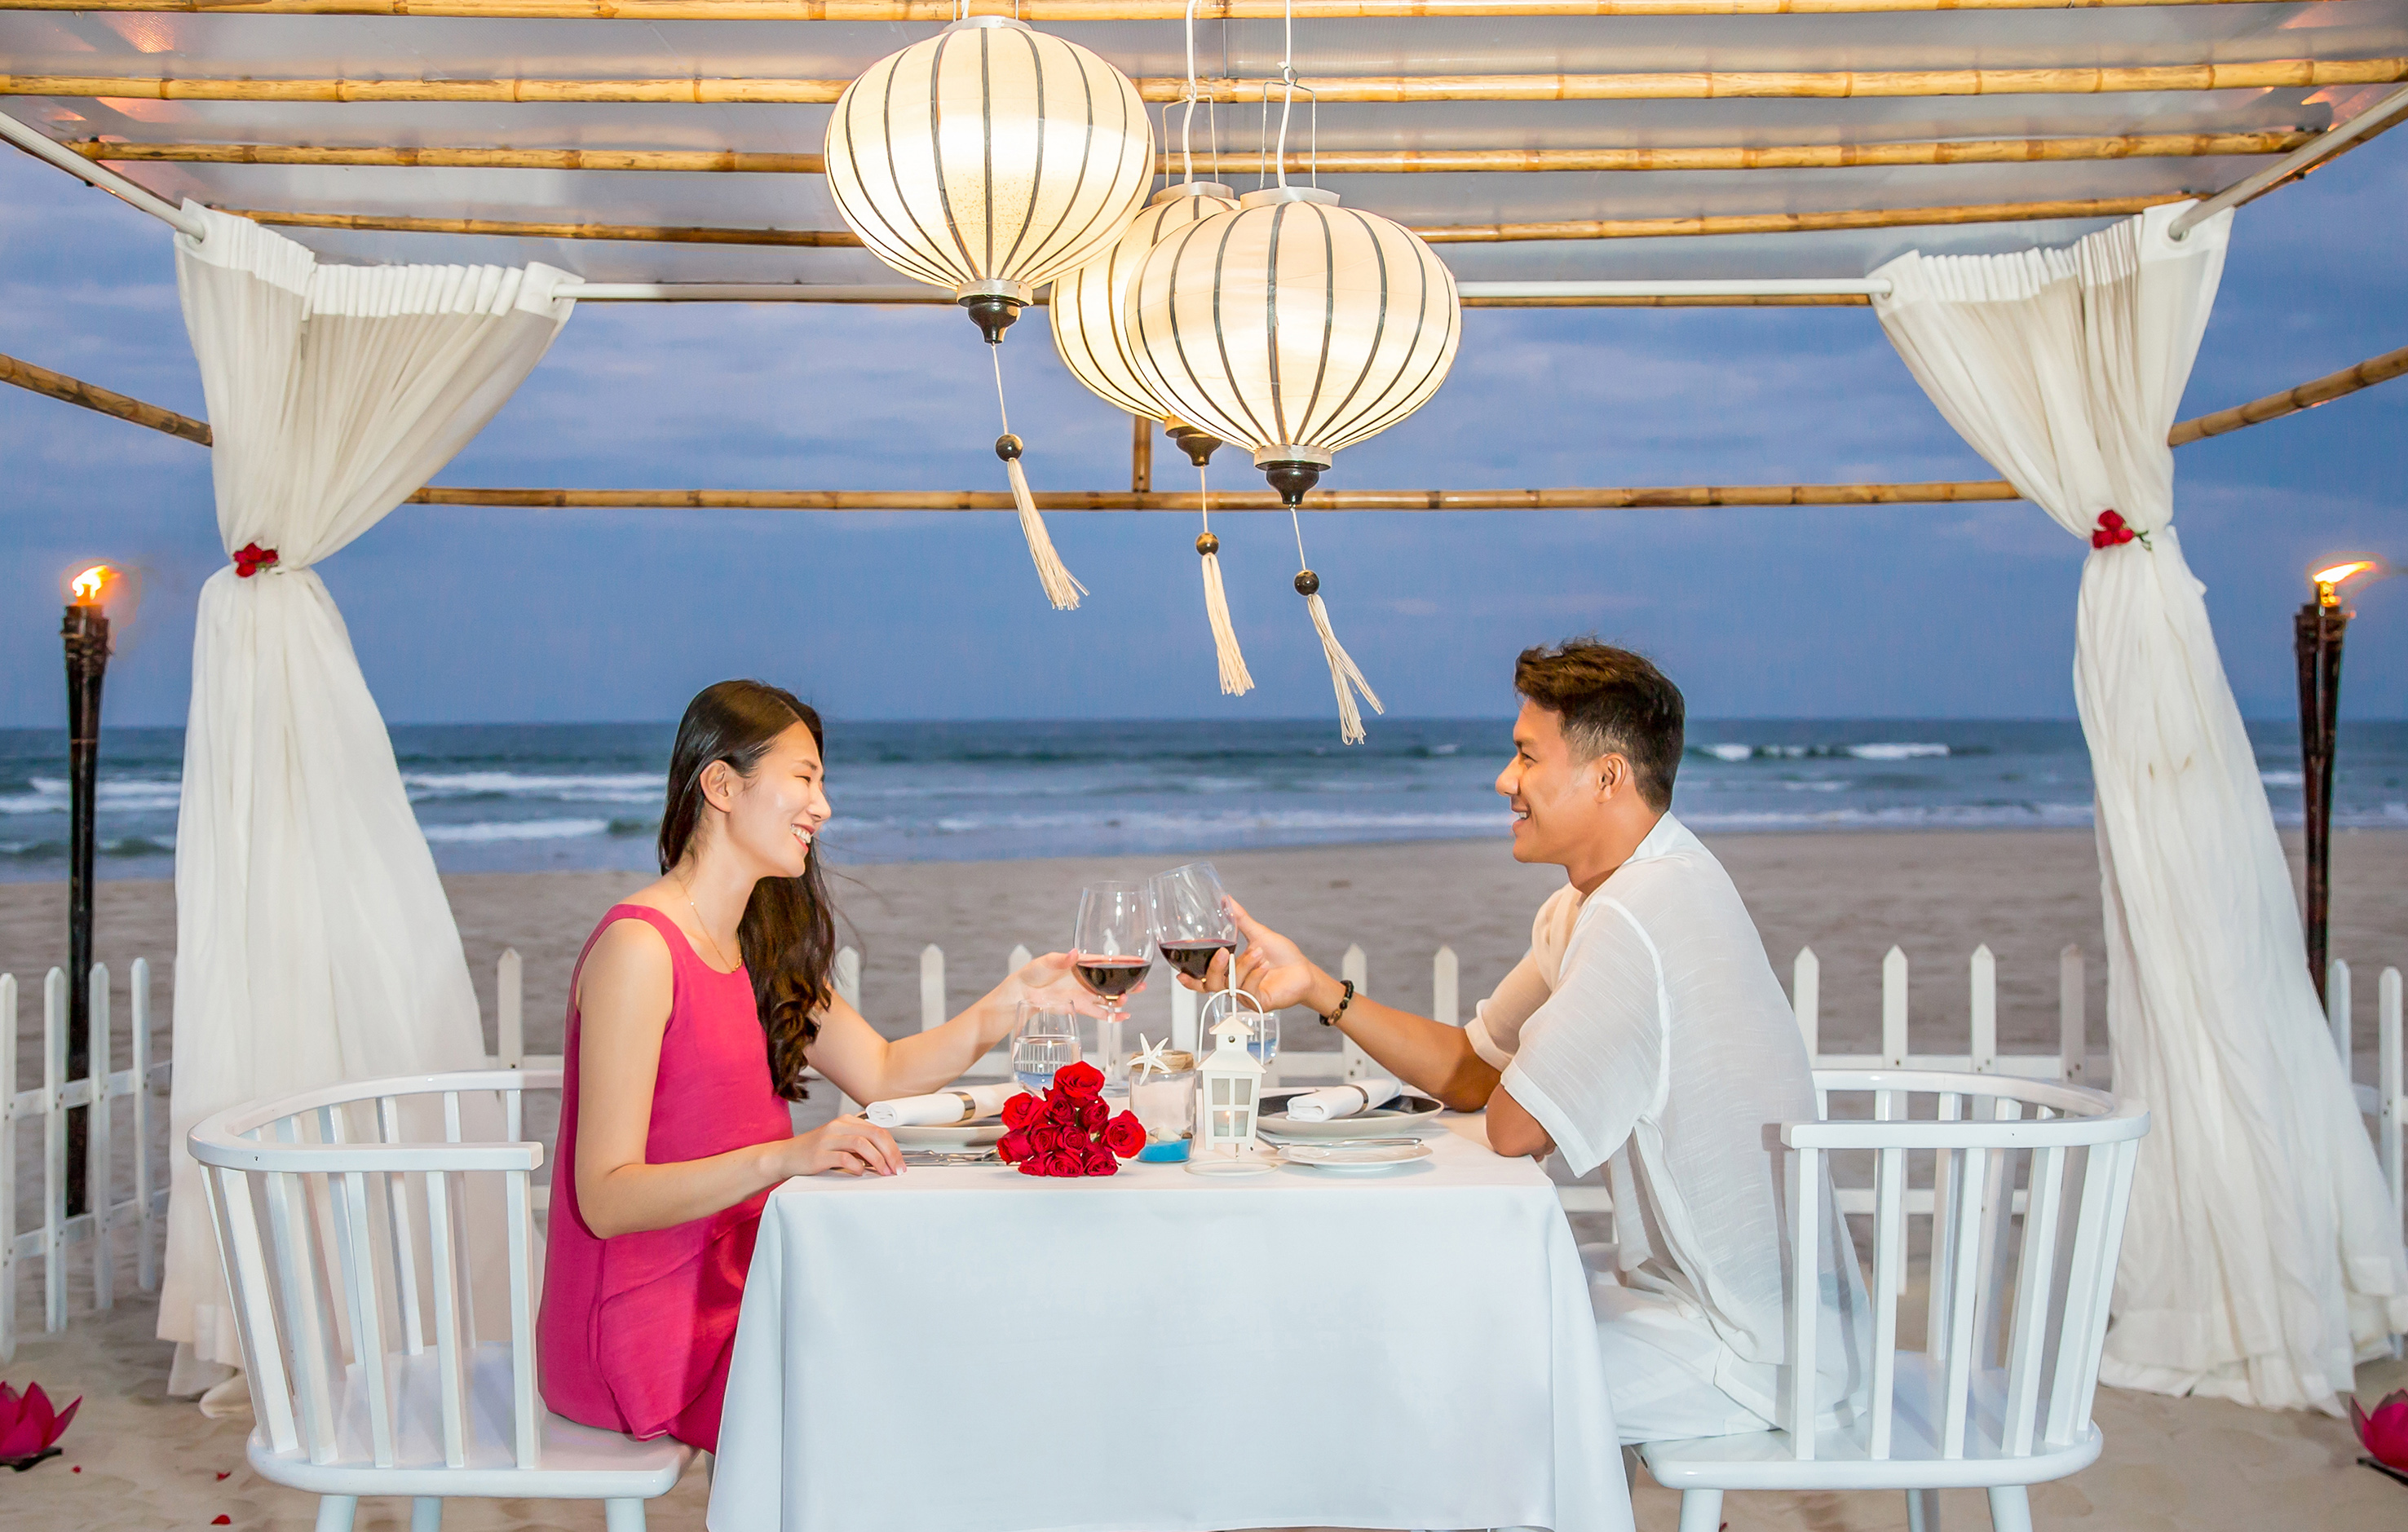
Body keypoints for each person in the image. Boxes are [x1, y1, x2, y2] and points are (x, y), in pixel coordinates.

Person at [1200, 640, 1868, 1445]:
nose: (1504, 780)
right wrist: (1318, 989)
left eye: (1525, 755)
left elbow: (1515, 1128)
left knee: (1459, 1387)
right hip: (1691, 1303)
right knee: (1464, 1314)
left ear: (1608, 776)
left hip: (1757, 1351)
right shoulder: (1597, 901)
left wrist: (1548, 1043)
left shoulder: (1641, 911)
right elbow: (1475, 1068)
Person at [538, 679, 1100, 1454]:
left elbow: (882, 1071)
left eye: (822, 781)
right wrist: (788, 1154)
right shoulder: (639, 949)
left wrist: (1012, 1001)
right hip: (647, 1319)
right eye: (803, 777)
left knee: (956, 1333)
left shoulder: (761, 947)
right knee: (905, 1382)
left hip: (748, 1281)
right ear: (722, 786)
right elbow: (602, 1198)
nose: (823, 805)